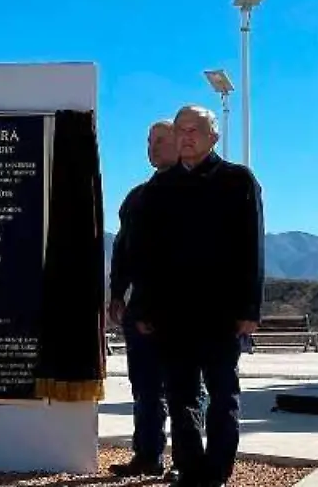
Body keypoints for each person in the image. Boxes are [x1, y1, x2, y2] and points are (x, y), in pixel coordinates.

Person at [130, 104, 265, 487]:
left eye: (195, 129)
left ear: (213, 135)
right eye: (180, 129)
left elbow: (252, 247)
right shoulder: (159, 189)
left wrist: (250, 306)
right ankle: (190, 468)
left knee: (223, 393)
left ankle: (218, 469)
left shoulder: (238, 181)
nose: (186, 136)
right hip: (172, 314)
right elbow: (146, 254)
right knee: (180, 395)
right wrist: (143, 305)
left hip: (222, 312)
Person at [106, 120, 180, 480]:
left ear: (180, 143)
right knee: (145, 387)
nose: (152, 147)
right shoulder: (136, 197)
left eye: (160, 140)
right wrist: (116, 292)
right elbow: (123, 249)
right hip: (139, 309)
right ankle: (147, 454)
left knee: (184, 389)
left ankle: (187, 461)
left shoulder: (192, 193)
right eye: (149, 141)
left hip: (180, 309)